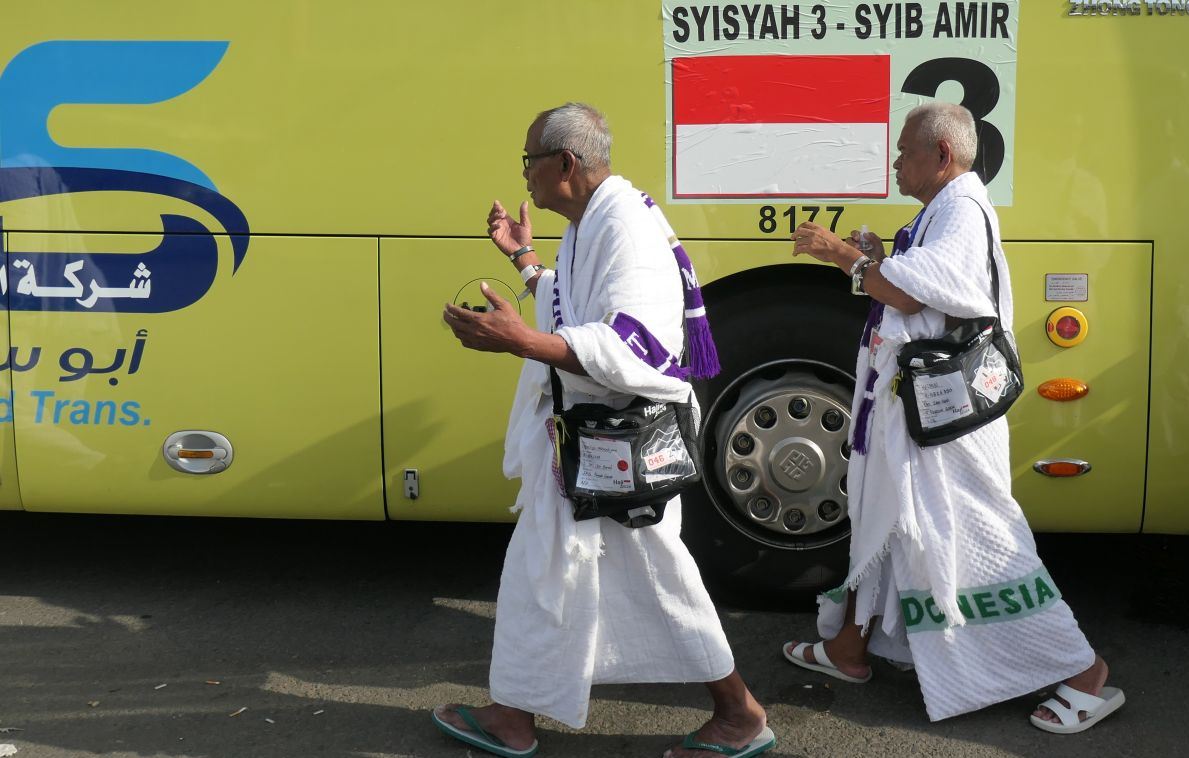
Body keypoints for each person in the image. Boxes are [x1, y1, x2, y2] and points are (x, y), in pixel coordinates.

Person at [433, 102, 775, 758]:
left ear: (564, 162)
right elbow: (576, 304)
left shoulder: (624, 227)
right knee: (547, 573)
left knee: (650, 579)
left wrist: (521, 341)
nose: (524, 174)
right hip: (590, 442)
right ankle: (512, 715)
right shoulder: (595, 219)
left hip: (615, 444)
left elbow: (634, 345)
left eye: (529, 160)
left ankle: (738, 713)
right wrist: (525, 262)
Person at [784, 101, 1125, 734]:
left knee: (979, 538)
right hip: (915, 416)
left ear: (942, 155)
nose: (895, 162)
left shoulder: (962, 209)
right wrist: (878, 254)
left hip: (946, 424)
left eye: (905, 151)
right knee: (888, 521)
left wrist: (843, 256)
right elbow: (923, 287)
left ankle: (1085, 672)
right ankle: (849, 648)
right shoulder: (942, 209)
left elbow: (911, 292)